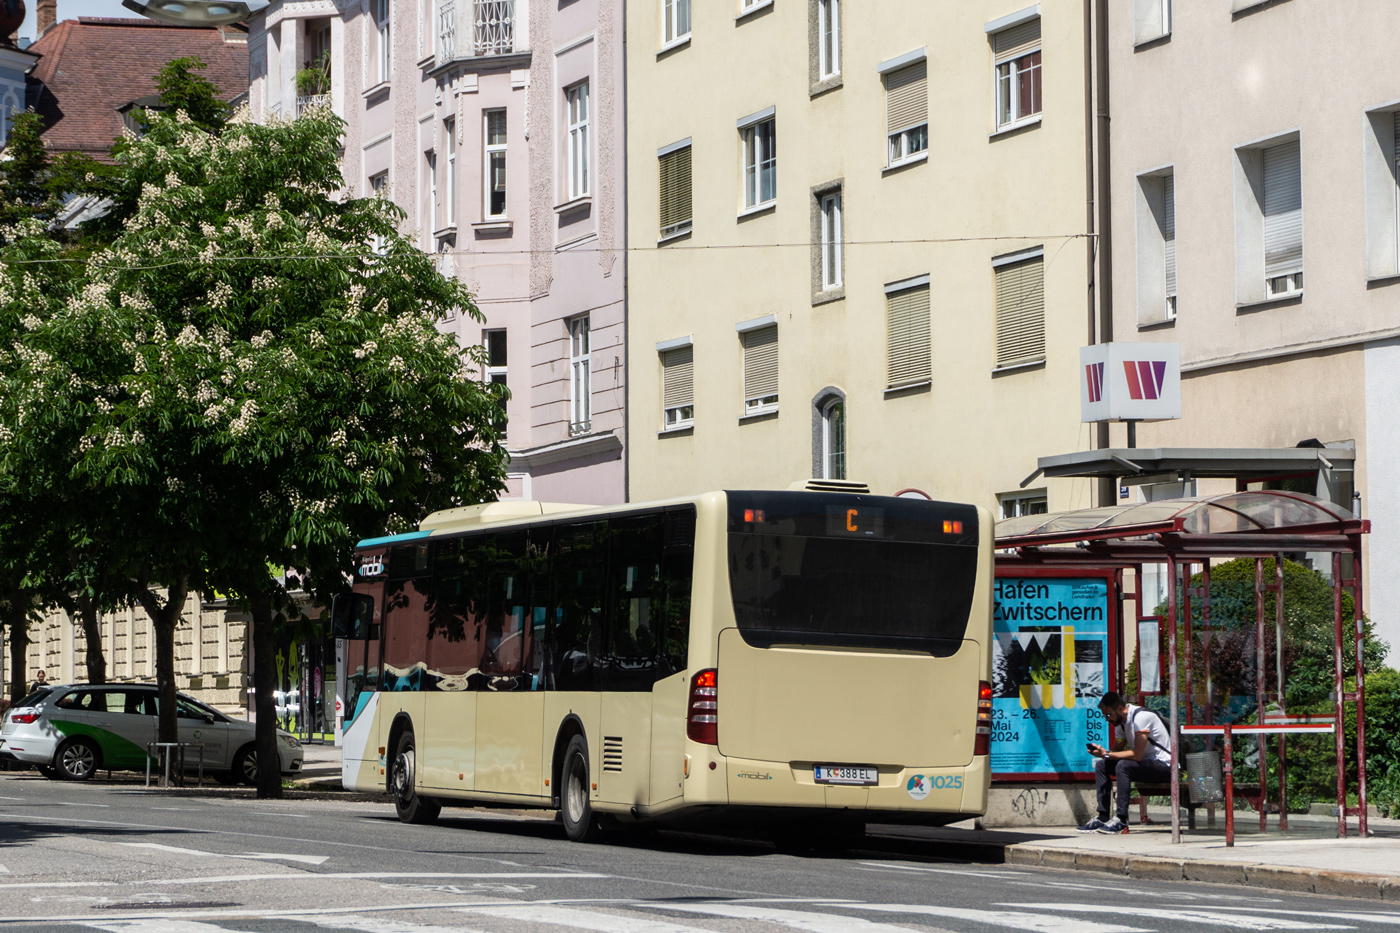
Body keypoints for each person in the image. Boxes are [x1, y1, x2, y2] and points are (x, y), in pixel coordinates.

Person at [1078, 690, 1172, 835]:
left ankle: (1121, 820)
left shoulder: (1141, 717)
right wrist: (1103, 754)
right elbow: (1117, 751)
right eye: (1105, 716)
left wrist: (1108, 754)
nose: (1107, 719)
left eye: (1108, 715)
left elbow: (1137, 755)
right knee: (1102, 765)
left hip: (1165, 767)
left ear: (1120, 708)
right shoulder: (1121, 724)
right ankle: (1103, 816)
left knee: (1123, 766)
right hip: (1146, 766)